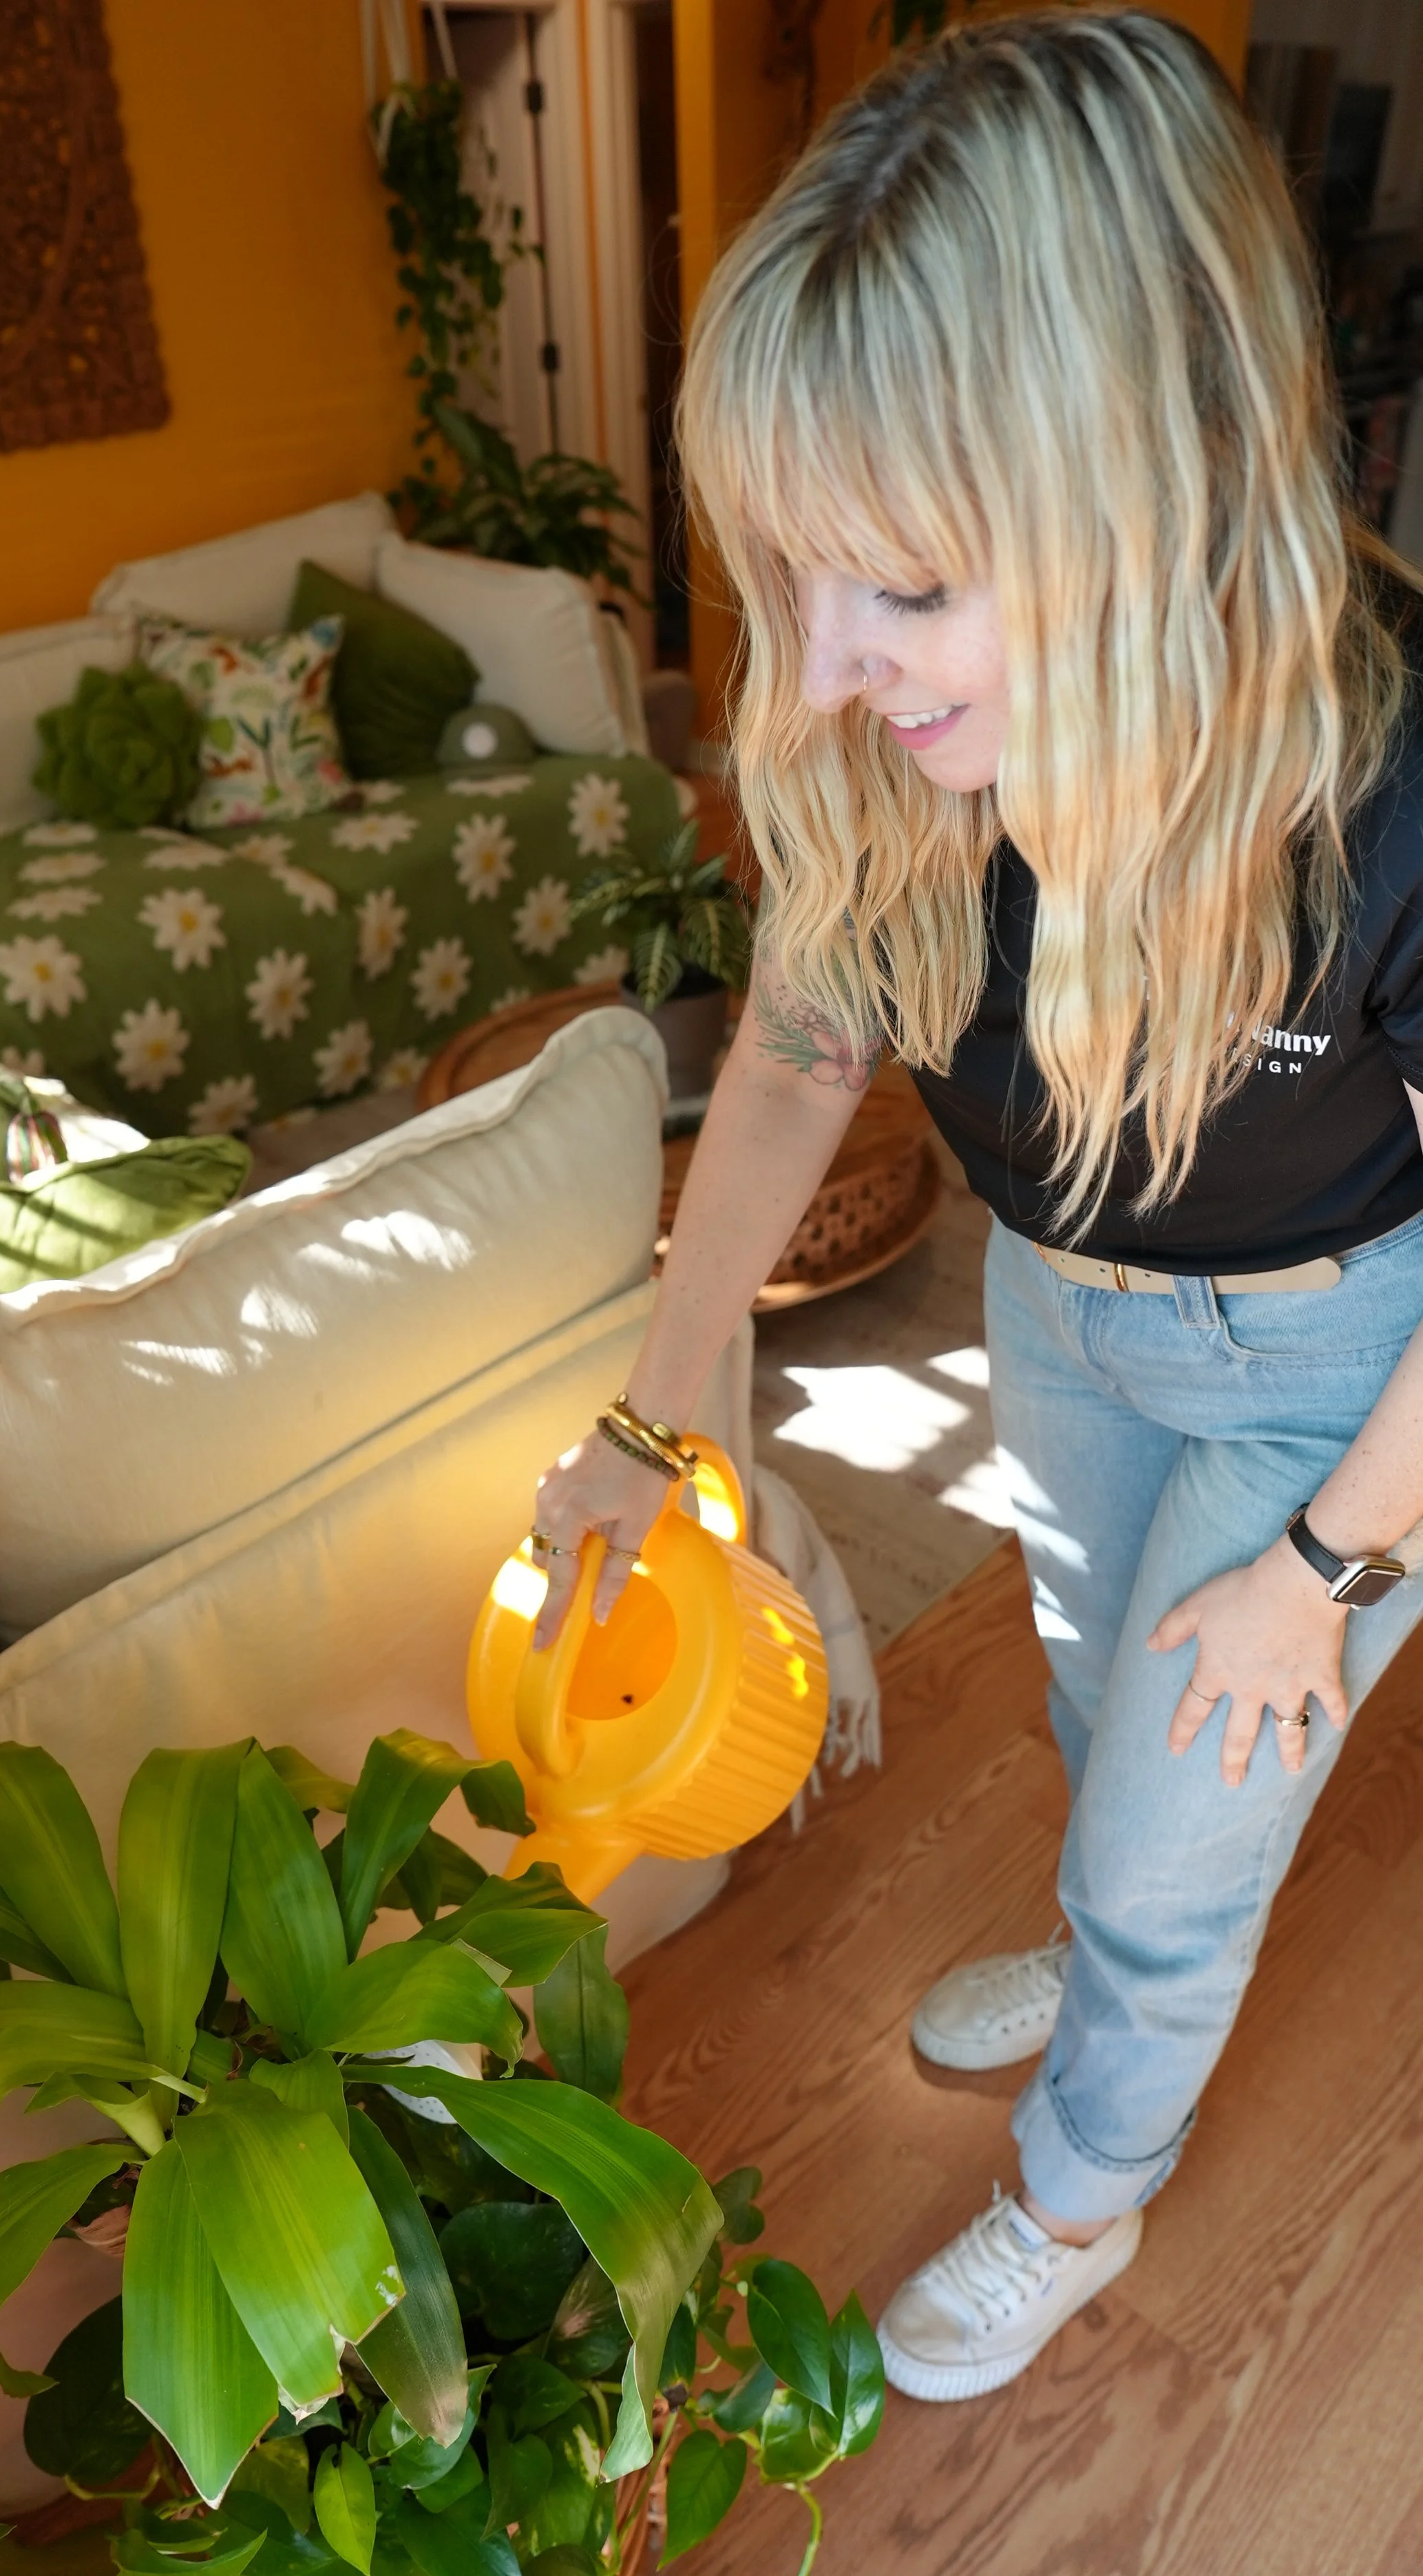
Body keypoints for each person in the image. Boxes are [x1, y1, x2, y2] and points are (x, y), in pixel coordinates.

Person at [528, 6, 1423, 2403]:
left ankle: (1077, 2200)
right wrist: (648, 1407)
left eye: (902, 585)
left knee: (1176, 1832)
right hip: (1059, 1299)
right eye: (800, 578)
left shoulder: (1384, 774)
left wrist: (1327, 1566)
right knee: (1078, 1691)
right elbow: (809, 1046)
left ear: (1146, 492)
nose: (818, 672)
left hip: (1334, 1370)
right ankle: (1107, 1922)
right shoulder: (910, 755)